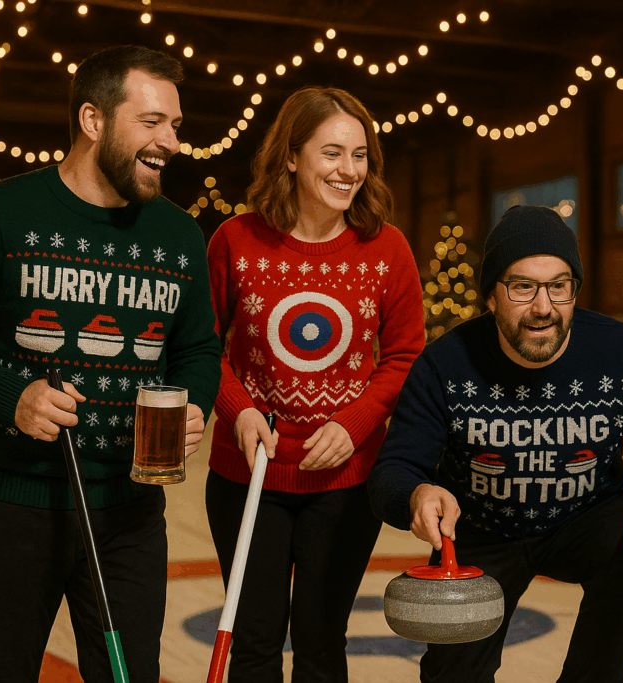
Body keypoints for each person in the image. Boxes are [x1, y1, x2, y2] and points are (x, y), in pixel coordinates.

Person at [0, 45, 221, 682]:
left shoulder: (179, 237)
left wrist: (195, 403)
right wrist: (8, 391)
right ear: (93, 121)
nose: (171, 142)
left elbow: (199, 348)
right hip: (12, 503)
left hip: (128, 511)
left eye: (176, 125)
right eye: (151, 123)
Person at [367, 205, 623, 683]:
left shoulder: (622, 352)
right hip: (481, 529)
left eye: (558, 286)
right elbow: (393, 470)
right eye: (523, 287)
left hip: (588, 518)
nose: (543, 307)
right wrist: (417, 494)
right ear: (490, 296)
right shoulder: (445, 363)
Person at [205, 86, 424, 682]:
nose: (348, 170)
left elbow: (405, 354)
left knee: (322, 644)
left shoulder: (388, 247)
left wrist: (356, 425)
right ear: (291, 156)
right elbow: (201, 347)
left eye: (360, 156)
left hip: (345, 483)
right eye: (332, 153)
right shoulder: (236, 240)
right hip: (249, 476)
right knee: (253, 643)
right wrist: (238, 411)